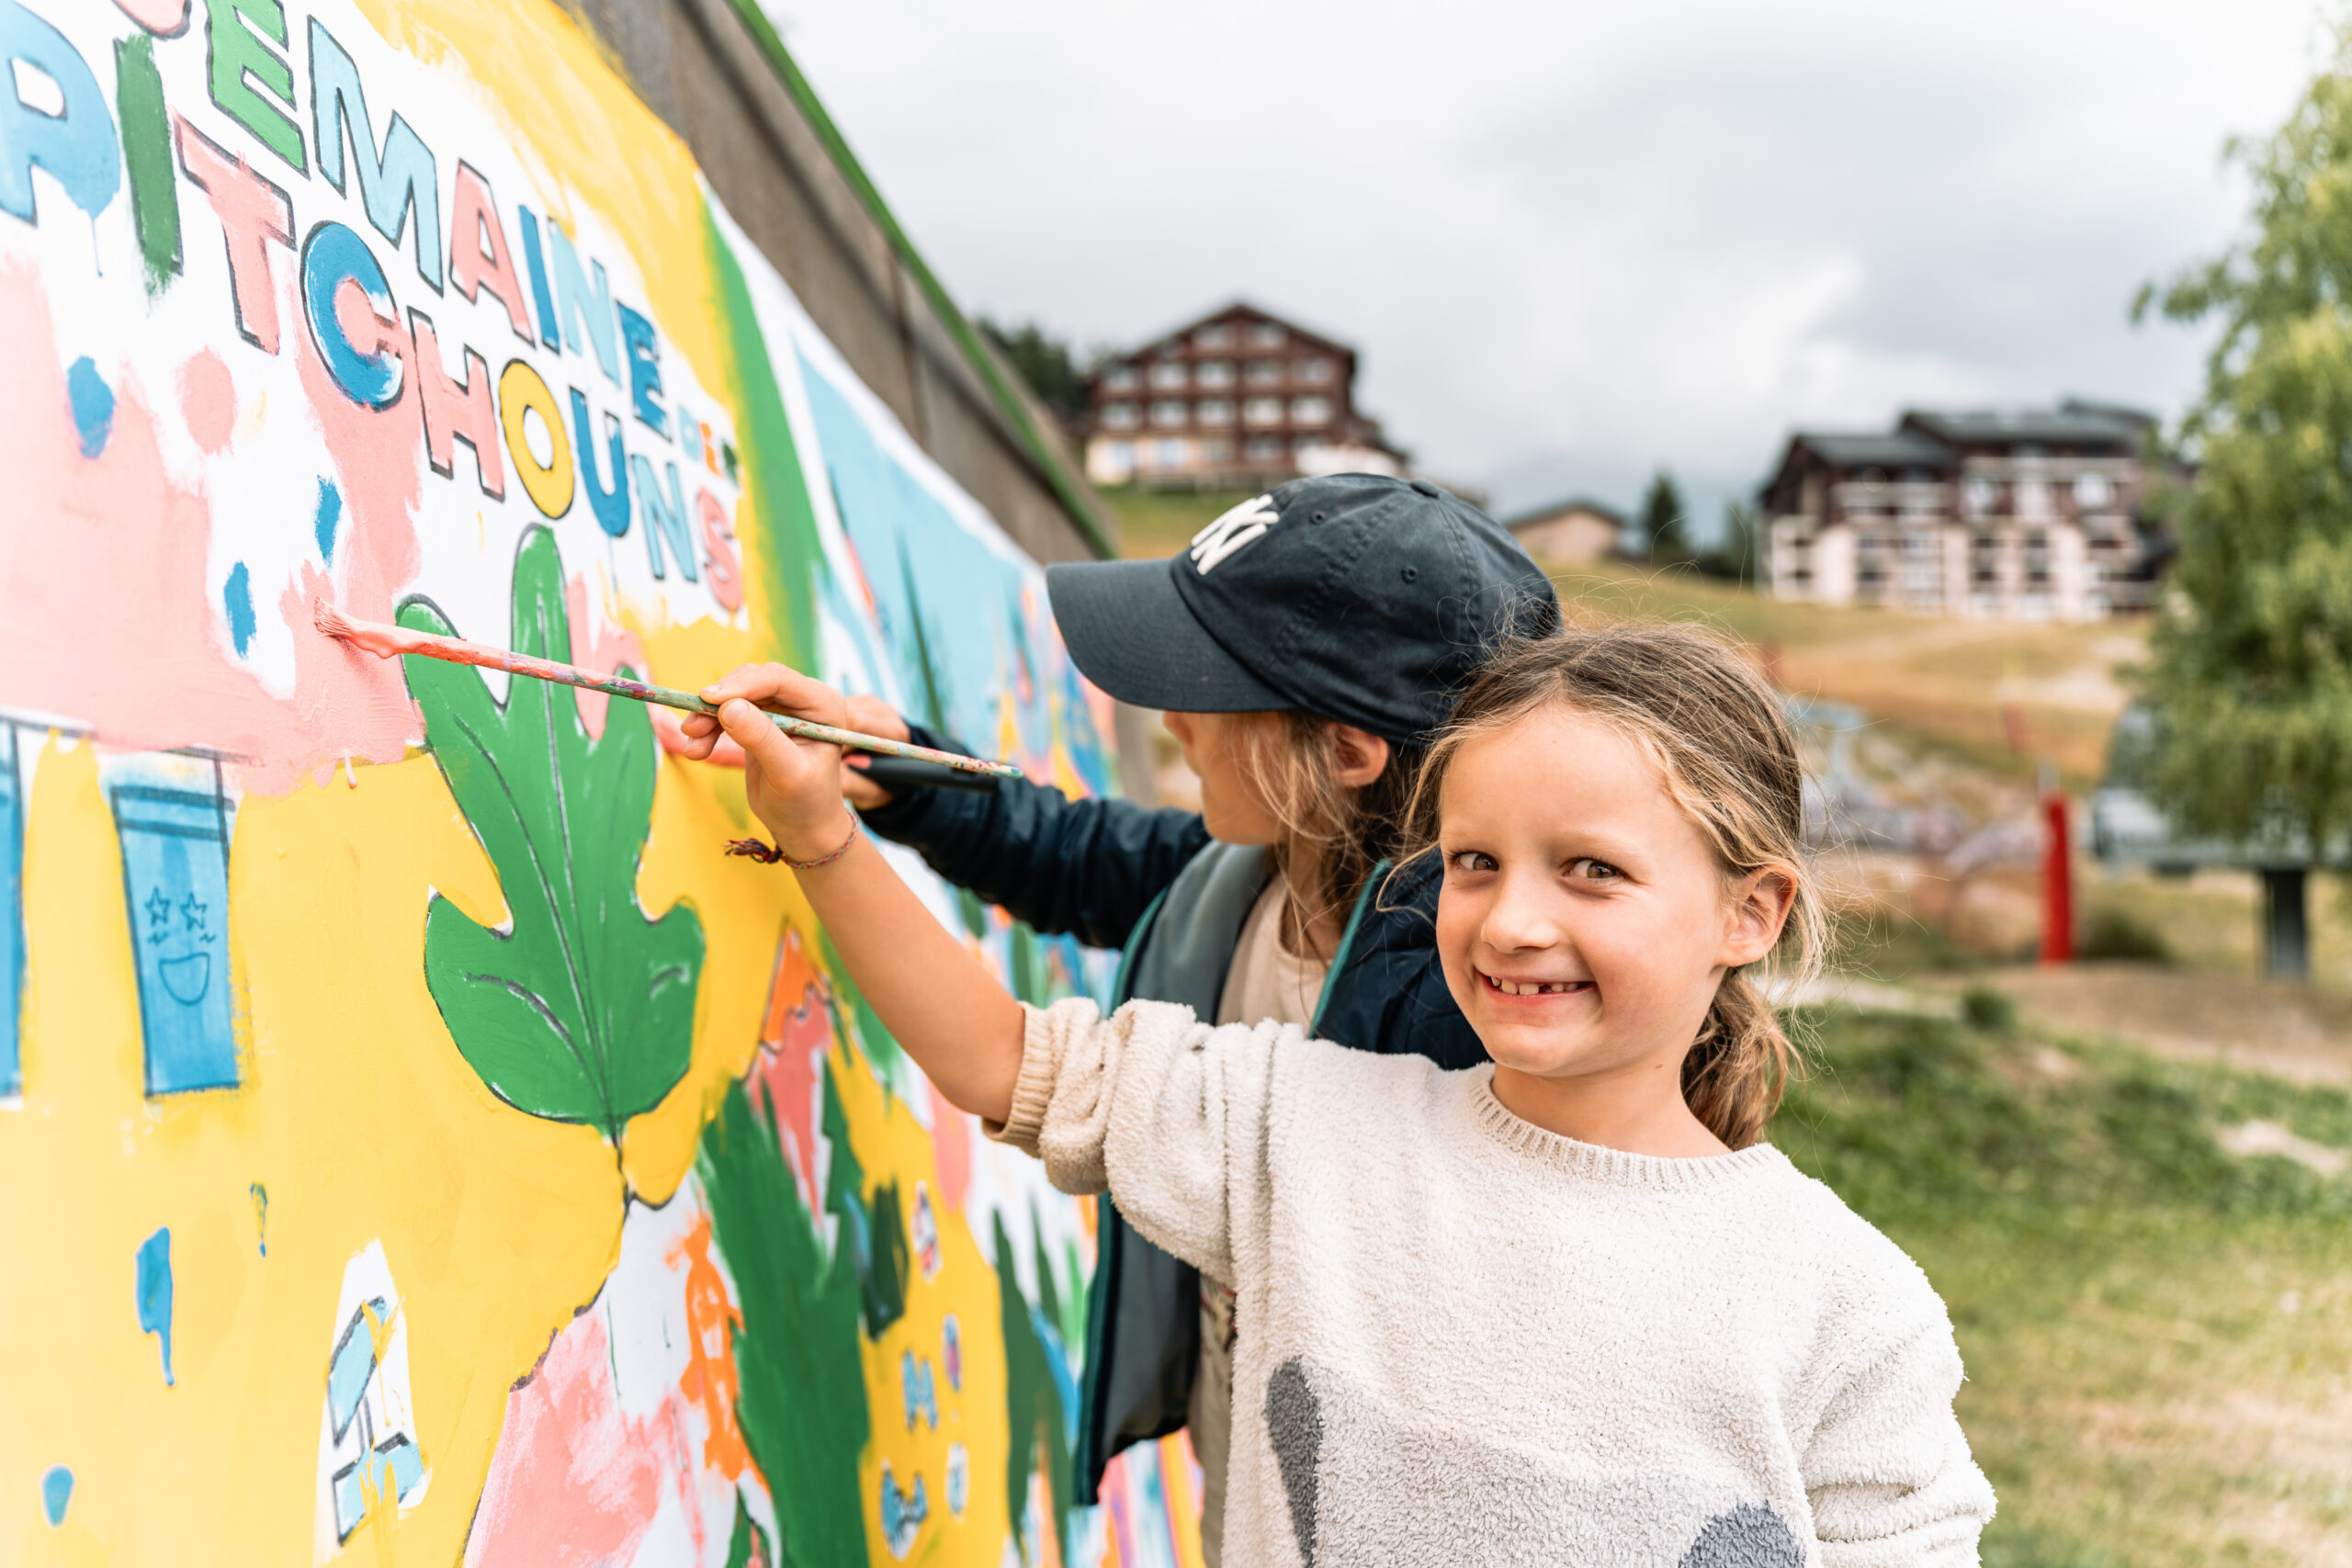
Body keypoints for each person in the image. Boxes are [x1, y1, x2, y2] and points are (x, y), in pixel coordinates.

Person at [685, 623, 1996, 1566]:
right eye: (1475, 860)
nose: (1513, 918)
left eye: (1591, 869)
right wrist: (824, 831)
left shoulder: (1849, 1305)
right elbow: (1004, 1057)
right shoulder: (1303, 1130)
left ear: (1750, 911)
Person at [819, 474, 1555, 1558]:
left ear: (1348, 753)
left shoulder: (1457, 1008)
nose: (1171, 717)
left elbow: (1008, 1065)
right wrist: (905, 767)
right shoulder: (1255, 873)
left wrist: (817, 837)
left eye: (1207, 683)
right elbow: (1079, 854)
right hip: (1250, 1470)